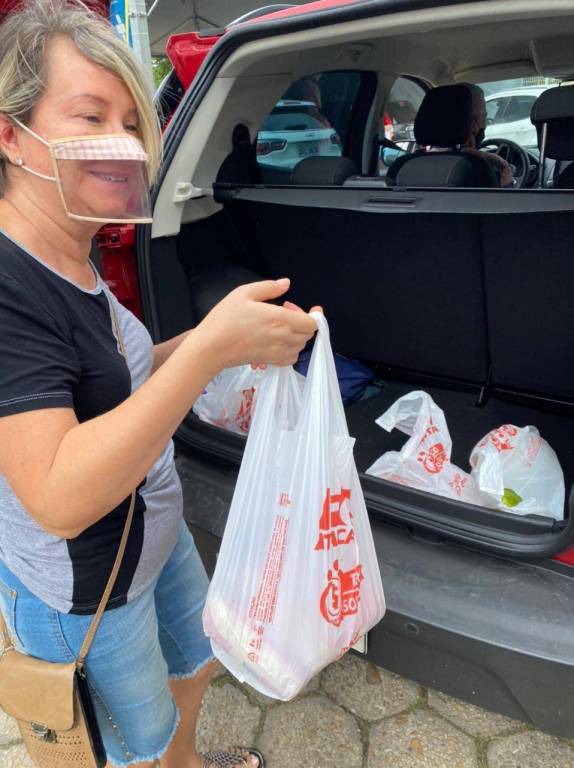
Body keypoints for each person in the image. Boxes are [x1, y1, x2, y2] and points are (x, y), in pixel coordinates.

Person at [0, 2, 320, 768]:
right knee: (131, 748)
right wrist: (209, 351)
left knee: (196, 662)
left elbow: (122, 377)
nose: (121, 141)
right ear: (11, 135)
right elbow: (58, 495)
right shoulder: (10, 286)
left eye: (130, 121)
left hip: (155, 537)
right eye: (90, 116)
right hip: (89, 590)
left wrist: (233, 347)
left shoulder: (70, 250)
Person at [459, 82, 514, 187]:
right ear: (473, 126)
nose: (485, 124)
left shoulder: (423, 161)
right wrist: (506, 185)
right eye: (484, 118)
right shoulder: (478, 168)